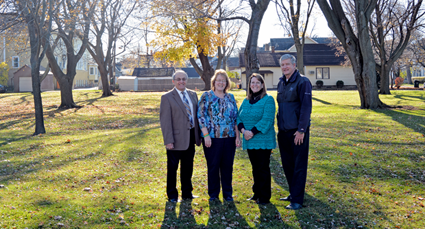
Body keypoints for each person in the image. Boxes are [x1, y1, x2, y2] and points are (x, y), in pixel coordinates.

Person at [197, 69, 241, 202]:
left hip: (229, 138)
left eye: (223, 80)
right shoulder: (207, 96)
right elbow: (201, 116)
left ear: (226, 83)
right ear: (214, 82)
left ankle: (228, 194)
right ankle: (214, 194)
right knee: (213, 166)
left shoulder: (230, 97)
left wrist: (237, 137)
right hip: (212, 138)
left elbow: (235, 118)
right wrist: (206, 135)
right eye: (218, 80)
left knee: (227, 167)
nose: (221, 83)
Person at [277, 54, 312, 210]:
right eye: (282, 65)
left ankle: (297, 200)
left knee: (298, 166)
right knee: (287, 165)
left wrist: (301, 130)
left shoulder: (303, 82)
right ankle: (293, 193)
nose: (285, 67)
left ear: (294, 65)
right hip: (283, 131)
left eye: (287, 64)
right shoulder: (281, 83)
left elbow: (306, 108)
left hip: (297, 133)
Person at [160, 70, 201, 203]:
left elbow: (197, 116)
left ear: (186, 80)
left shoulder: (193, 94)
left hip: (191, 137)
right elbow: (165, 121)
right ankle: (172, 194)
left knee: (188, 167)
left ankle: (187, 193)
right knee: (173, 168)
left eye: (183, 79)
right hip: (175, 139)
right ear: (173, 81)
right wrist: (168, 140)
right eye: (178, 79)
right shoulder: (167, 97)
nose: (181, 81)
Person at [237, 73, 276, 205]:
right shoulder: (246, 100)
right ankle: (256, 193)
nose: (255, 85)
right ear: (249, 85)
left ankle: (265, 197)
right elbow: (238, 117)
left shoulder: (268, 99)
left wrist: (251, 132)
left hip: (263, 140)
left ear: (262, 84)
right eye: (252, 82)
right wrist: (243, 131)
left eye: (257, 82)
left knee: (263, 168)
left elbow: (268, 120)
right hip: (249, 140)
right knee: (255, 168)